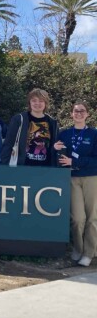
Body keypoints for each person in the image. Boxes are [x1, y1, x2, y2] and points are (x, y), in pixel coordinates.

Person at [54, 102, 97, 267]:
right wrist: (54, 148)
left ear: (87, 114)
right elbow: (58, 155)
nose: (79, 113)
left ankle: (89, 253)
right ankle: (78, 249)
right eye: (76, 111)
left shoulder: (94, 134)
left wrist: (75, 160)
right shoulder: (64, 134)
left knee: (92, 217)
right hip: (72, 178)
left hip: (91, 177)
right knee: (77, 218)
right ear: (71, 114)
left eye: (82, 111)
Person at [0, 88, 59, 166]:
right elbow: (8, 144)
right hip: (22, 168)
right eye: (34, 100)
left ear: (46, 103)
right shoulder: (19, 119)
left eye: (41, 101)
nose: (37, 103)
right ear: (29, 103)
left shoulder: (52, 122)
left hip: (45, 170)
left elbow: (54, 147)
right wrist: (3, 166)